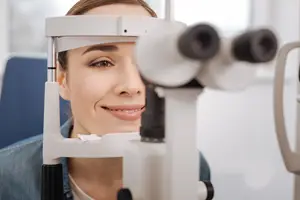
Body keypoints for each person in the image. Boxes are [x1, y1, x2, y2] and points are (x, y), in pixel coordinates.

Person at [0, 0, 211, 199]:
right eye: (102, 63)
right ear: (62, 79)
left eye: (147, 62)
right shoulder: (8, 178)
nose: (131, 87)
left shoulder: (189, 166)